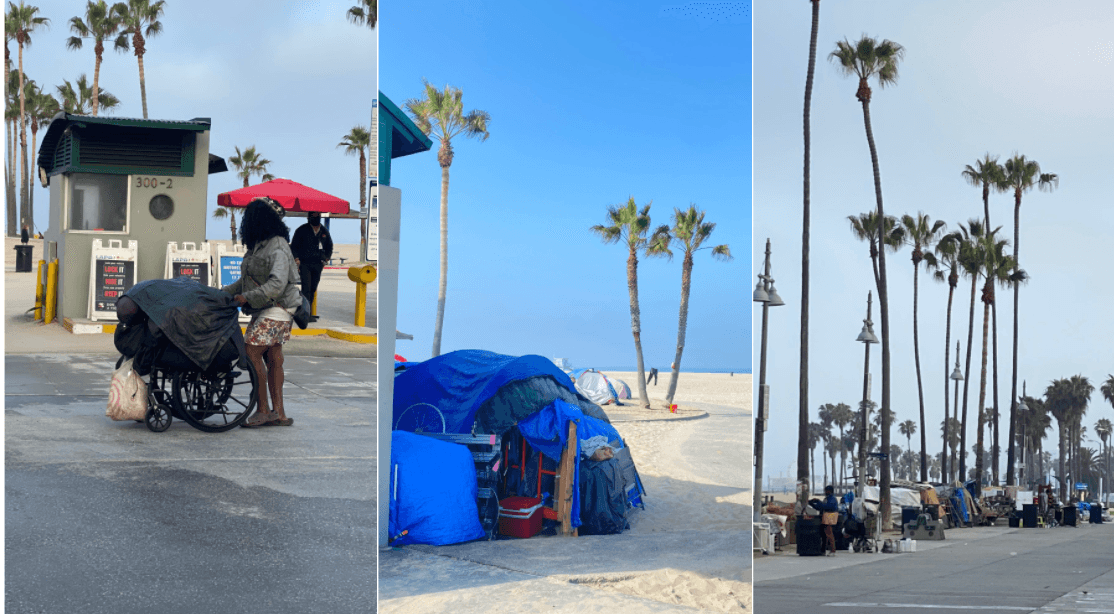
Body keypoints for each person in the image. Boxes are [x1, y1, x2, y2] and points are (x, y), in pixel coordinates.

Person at [221, 197, 303, 427]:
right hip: (265, 307)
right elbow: (246, 281)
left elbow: (277, 284)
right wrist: (221, 293)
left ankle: (263, 410)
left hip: (278, 307)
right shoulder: (258, 244)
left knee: (251, 352)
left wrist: (246, 297)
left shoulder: (277, 245)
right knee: (274, 358)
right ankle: (280, 414)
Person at [290, 211, 333, 322]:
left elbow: (329, 246)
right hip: (305, 264)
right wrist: (296, 259)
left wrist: (326, 258)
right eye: (312, 216)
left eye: (317, 216)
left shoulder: (324, 231)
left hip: (318, 264)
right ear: (308, 218)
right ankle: (303, 314)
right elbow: (293, 246)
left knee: (313, 288)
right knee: (306, 288)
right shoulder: (301, 230)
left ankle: (308, 312)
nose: (315, 218)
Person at [811, 485, 840, 556]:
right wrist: (813, 504)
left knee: (829, 533)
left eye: (826, 491)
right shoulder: (827, 498)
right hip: (826, 517)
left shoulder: (832, 499)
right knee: (825, 534)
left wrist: (819, 502)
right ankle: (824, 549)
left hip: (830, 517)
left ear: (829, 491)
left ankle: (833, 550)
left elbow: (827, 507)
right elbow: (821, 507)